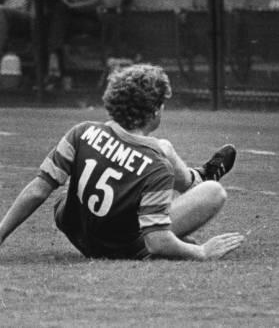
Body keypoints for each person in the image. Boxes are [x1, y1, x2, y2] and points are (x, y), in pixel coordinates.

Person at [0, 63, 244, 260]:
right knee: (213, 192)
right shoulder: (157, 166)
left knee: (163, 147)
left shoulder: (81, 132)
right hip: (119, 248)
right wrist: (200, 251)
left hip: (74, 226)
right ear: (155, 111)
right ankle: (202, 182)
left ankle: (196, 178)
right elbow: (157, 242)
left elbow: (37, 191)